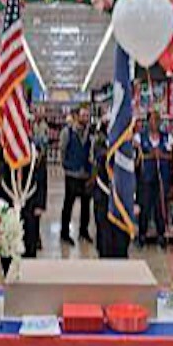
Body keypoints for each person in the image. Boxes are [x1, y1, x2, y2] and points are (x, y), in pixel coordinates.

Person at [0, 140, 47, 263]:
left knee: (30, 238)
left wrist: (40, 204)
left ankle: (30, 268)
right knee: (8, 239)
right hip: (9, 198)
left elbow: (42, 179)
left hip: (30, 200)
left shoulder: (35, 152)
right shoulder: (4, 150)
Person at [134, 110, 173, 246]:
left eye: (157, 119)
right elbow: (138, 158)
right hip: (145, 179)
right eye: (152, 119)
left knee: (160, 207)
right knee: (144, 207)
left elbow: (172, 157)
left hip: (162, 178)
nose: (155, 122)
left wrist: (160, 155)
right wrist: (152, 155)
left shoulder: (167, 137)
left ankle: (161, 235)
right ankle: (142, 235)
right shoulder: (139, 137)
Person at [58, 105, 94, 245]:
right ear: (77, 116)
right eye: (83, 115)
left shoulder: (90, 134)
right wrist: (66, 165)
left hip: (85, 174)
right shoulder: (67, 132)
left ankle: (83, 232)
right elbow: (62, 150)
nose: (85, 118)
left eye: (87, 116)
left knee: (86, 206)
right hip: (72, 173)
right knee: (68, 204)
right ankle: (64, 233)